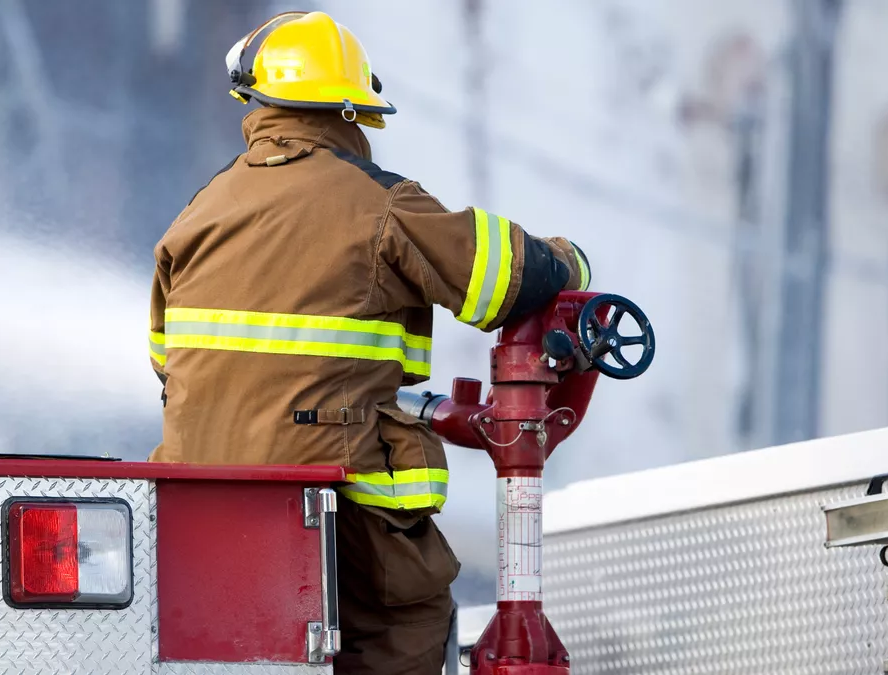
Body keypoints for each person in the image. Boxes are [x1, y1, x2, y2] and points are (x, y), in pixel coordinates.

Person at [146, 11, 591, 675]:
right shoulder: (378, 204)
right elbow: (503, 279)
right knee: (403, 619)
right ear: (347, 110)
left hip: (201, 500)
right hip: (337, 494)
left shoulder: (197, 212)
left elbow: (165, 361)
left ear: (259, 106)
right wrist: (570, 262)